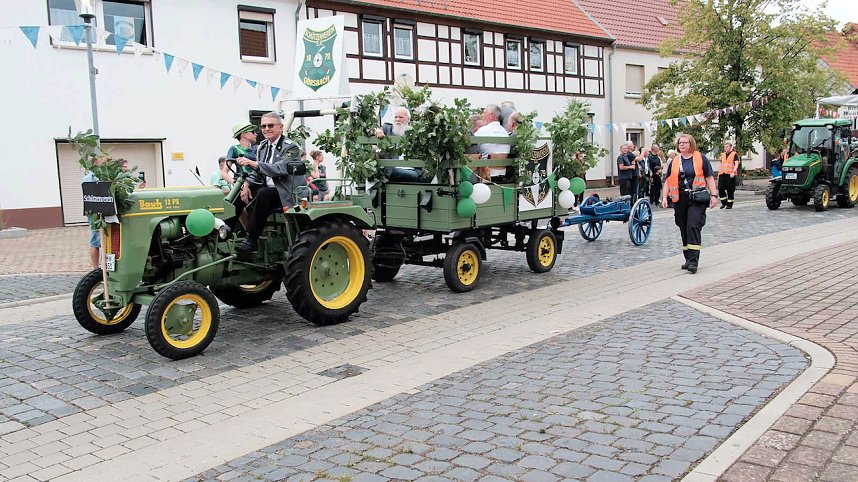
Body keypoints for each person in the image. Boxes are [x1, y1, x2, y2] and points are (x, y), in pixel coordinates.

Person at [235, 112, 303, 253]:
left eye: (270, 125)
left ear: (281, 127)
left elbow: (280, 168)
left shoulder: (291, 147)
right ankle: (225, 232)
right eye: (263, 126)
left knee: (264, 194)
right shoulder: (263, 146)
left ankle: (252, 239)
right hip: (268, 190)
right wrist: (246, 184)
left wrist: (253, 163)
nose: (266, 129)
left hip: (286, 192)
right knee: (236, 192)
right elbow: (257, 173)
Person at [660, 133, 718, 274]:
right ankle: (687, 258)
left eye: (685, 142)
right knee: (683, 227)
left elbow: (709, 177)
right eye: (680, 143)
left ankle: (694, 261)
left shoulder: (701, 158)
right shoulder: (674, 161)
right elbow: (668, 180)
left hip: (697, 198)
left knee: (693, 226)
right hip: (680, 199)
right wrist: (664, 197)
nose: (682, 145)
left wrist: (714, 195)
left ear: (691, 144)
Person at [373, 107, 425, 182]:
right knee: (413, 175)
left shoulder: (413, 132)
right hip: (392, 168)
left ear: (408, 119)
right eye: (396, 117)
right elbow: (372, 130)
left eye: (401, 117)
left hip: (411, 167)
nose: (397, 119)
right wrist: (376, 130)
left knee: (428, 176)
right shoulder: (387, 128)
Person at [474, 104, 511, 181]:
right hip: (502, 172)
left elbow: (473, 148)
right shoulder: (505, 132)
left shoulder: (483, 130)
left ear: (491, 115)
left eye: (484, 113)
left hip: (485, 174)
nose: (482, 115)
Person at [82, 156, 106, 270]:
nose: (105, 163)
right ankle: (96, 269)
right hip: (95, 213)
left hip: (100, 211)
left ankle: (103, 267)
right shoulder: (91, 178)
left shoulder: (101, 175)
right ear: (96, 164)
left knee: (102, 239)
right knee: (96, 240)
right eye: (102, 161)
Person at [718, 141, 740, 209]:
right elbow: (722, 163)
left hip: (730, 174)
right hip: (722, 173)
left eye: (727, 146)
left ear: (731, 147)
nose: (725, 148)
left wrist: (733, 172)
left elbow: (736, 164)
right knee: (720, 188)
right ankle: (723, 202)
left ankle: (729, 204)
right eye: (725, 147)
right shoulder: (723, 154)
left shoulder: (734, 154)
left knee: (730, 190)